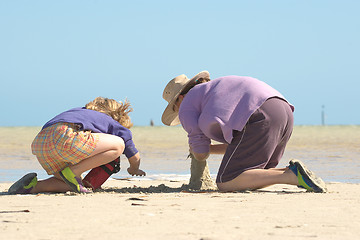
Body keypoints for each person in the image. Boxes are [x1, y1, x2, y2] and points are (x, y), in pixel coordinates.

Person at [161, 71, 326, 192]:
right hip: (282, 110)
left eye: (176, 110)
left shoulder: (188, 102)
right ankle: (295, 172)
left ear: (180, 99)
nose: (180, 115)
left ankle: (291, 175)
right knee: (257, 174)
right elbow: (240, 144)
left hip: (258, 115)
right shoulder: (213, 92)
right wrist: (210, 148)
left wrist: (197, 149)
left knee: (226, 181)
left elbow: (200, 153)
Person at [8, 97, 145, 194]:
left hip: (41, 144)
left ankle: (33, 186)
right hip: (65, 136)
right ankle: (73, 172)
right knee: (118, 145)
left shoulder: (79, 112)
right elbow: (132, 151)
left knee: (70, 184)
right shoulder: (109, 121)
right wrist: (134, 168)